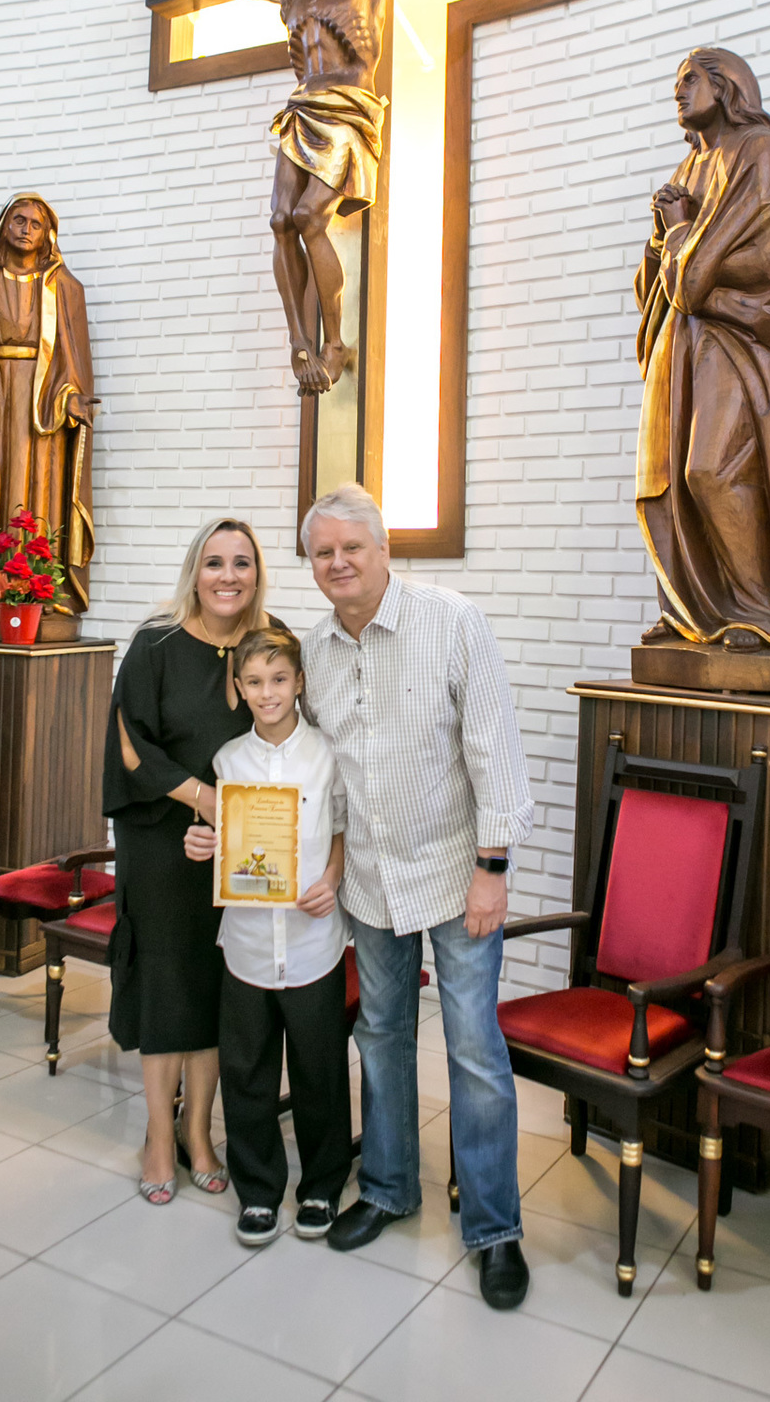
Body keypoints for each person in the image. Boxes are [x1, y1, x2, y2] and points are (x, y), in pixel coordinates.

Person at [180, 0, 535, 396]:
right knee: (280, 220)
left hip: (349, 107)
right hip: (302, 109)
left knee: (310, 217)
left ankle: (334, 343)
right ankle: (299, 342)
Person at [298, 482, 534, 1309]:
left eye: (351, 548)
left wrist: (492, 869)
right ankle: (390, 1189)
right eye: (323, 552)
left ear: (384, 549)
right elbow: (323, 775)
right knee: (382, 1039)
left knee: (473, 1052)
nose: (338, 563)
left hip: (454, 876)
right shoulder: (314, 651)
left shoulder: (452, 622)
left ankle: (495, 1230)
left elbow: (494, 748)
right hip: (369, 881)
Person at [633, 49, 770, 652]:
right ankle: (690, 610)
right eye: (675, 83)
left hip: (736, 339)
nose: (678, 92)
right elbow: (663, 285)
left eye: (690, 80)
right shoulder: (688, 167)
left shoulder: (759, 153)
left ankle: (758, 611)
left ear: (726, 87)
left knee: (711, 470)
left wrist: (678, 233)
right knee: (666, 480)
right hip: (682, 342)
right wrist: (662, 241)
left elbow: (753, 266)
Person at [102, 518, 278, 1203]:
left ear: (257, 575)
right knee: (167, 984)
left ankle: (198, 1131)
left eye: (242, 563)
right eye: (214, 562)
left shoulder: (269, 643)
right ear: (194, 572)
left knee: (216, 988)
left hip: (237, 844)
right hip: (160, 837)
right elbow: (130, 745)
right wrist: (205, 797)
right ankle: (157, 1134)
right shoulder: (156, 643)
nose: (228, 576)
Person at [186, 625, 351, 1247]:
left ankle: (322, 1186)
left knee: (319, 1071)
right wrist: (199, 842)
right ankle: (257, 1192)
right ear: (239, 688)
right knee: (248, 1072)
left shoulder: (328, 754)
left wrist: (331, 880)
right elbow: (214, 837)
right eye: (254, 682)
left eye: (279, 679)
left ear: (300, 682)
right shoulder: (226, 762)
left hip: (313, 943)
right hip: (248, 946)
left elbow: (342, 830)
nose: (268, 692)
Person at [0, 192, 94, 616]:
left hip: (42, 405)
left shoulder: (63, 287)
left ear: (47, 235)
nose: (26, 229)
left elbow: (73, 356)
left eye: (35, 224)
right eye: (19, 220)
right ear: (4, 227)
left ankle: (36, 591)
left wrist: (71, 396)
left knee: (39, 494)